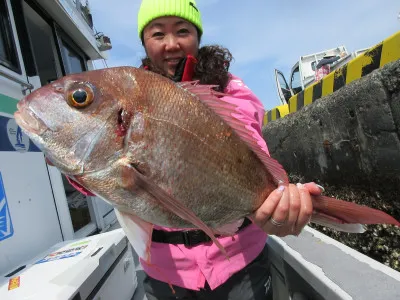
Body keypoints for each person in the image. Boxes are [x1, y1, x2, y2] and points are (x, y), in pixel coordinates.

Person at [129, 0, 323, 299]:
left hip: (238, 262)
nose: (171, 44)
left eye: (182, 31)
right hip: (167, 273)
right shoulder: (129, 97)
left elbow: (248, 136)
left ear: (197, 37)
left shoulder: (229, 88)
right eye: (157, 34)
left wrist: (273, 200)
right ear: (144, 42)